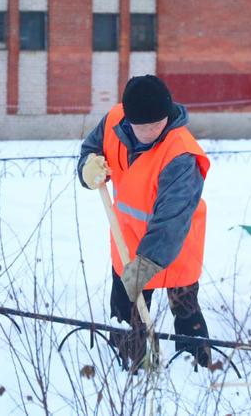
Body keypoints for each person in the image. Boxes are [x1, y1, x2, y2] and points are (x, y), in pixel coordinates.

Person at [77, 74, 211, 370]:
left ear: (167, 115)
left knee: (186, 311)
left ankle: (196, 366)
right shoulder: (114, 121)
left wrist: (146, 265)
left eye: (156, 125)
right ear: (128, 118)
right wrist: (87, 168)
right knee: (126, 315)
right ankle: (131, 365)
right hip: (126, 241)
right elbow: (91, 149)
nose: (149, 132)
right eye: (142, 126)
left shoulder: (181, 154)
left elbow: (171, 221)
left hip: (175, 244)